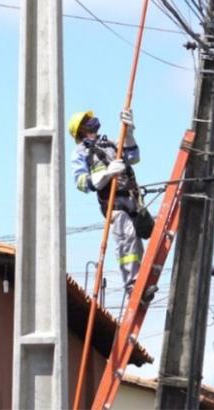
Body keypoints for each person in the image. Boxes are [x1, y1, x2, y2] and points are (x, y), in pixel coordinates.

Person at [68, 109, 143, 293]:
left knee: (138, 242)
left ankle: (142, 282)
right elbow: (81, 183)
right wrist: (107, 174)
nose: (92, 121)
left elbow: (133, 157)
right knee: (127, 238)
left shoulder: (108, 143)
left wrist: (129, 134)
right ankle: (132, 285)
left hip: (133, 198)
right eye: (87, 120)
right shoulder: (80, 152)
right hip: (113, 202)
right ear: (82, 130)